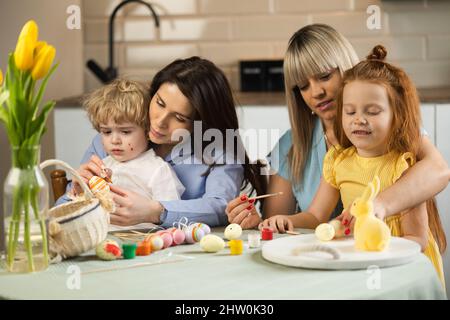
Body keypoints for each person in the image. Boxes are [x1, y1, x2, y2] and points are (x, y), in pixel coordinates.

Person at [226, 24, 450, 231]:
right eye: (303, 86)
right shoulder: (292, 145)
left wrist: (377, 205)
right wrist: (257, 222)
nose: (316, 93)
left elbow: (438, 170)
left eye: (324, 76)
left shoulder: (386, 124)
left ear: (346, 68)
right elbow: (279, 224)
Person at [260, 45, 446, 285]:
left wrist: (370, 246)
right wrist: (287, 220)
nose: (315, 92)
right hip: (357, 265)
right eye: (350, 112)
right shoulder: (338, 161)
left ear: (396, 117)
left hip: (398, 272)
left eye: (324, 76)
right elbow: (316, 216)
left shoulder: (404, 164)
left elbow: (417, 239)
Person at [58, 57, 266, 228]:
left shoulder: (220, 151)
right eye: (159, 103)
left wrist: (155, 212)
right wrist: (76, 192)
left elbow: (220, 207)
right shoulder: (112, 140)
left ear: (202, 123)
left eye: (180, 118)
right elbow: (62, 209)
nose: (159, 122)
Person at [61, 79, 185, 230]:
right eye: (106, 132)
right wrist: (80, 192)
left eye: (125, 132)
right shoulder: (102, 166)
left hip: (144, 245)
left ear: (147, 131)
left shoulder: (158, 170)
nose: (115, 140)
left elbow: (172, 223)